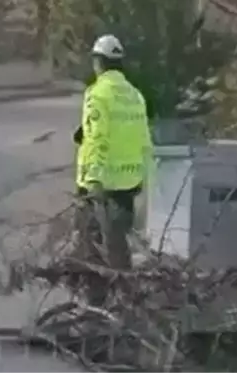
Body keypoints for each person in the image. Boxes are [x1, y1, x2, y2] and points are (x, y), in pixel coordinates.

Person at [73, 34, 153, 304]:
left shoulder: (97, 94)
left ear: (98, 62)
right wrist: (142, 178)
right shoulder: (135, 96)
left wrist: (93, 181)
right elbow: (143, 139)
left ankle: (96, 308)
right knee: (119, 250)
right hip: (128, 183)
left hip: (101, 186)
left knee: (91, 246)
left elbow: (97, 139)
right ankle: (127, 304)